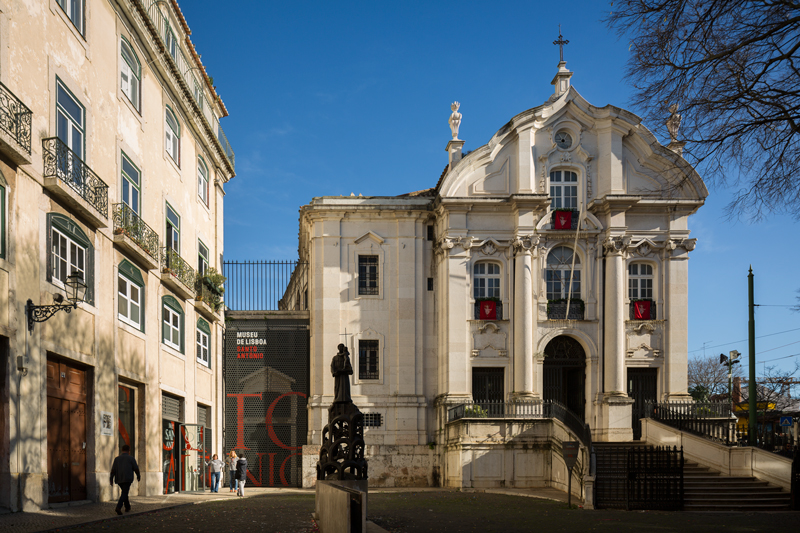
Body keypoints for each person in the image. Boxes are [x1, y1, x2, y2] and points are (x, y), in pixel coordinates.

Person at [110, 444, 140, 515]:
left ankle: (127, 507)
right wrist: (138, 475)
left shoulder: (116, 459)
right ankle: (118, 507)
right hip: (127, 478)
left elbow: (113, 470)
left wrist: (111, 479)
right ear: (129, 451)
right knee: (124, 493)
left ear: (121, 450)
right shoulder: (131, 458)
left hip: (119, 478)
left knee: (124, 492)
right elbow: (136, 468)